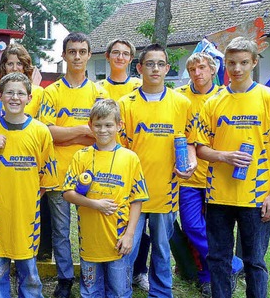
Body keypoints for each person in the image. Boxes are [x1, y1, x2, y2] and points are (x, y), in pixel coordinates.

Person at [196, 37, 270, 298]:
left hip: (256, 197)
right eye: (232, 63)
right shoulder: (213, 103)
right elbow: (200, 148)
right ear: (224, 64)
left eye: (243, 63)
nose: (237, 69)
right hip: (219, 196)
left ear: (254, 63)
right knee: (218, 259)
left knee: (255, 262)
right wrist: (224, 156)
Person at [120, 44, 197, 298]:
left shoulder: (182, 103)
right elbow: (118, 150)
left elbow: (191, 142)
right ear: (139, 68)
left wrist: (191, 162)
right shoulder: (125, 104)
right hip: (132, 191)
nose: (155, 68)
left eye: (160, 64)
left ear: (167, 68)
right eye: (149, 64)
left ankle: (162, 292)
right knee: (127, 246)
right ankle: (121, 290)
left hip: (166, 188)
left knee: (162, 248)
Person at [0, 72, 58, 297]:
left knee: (29, 277)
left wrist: (26, 197)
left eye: (20, 93)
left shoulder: (40, 132)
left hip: (26, 217)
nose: (14, 97)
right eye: (9, 92)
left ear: (29, 98)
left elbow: (45, 180)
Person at [38, 32, 107, 298]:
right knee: (61, 230)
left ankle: (92, 276)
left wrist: (66, 133)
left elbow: (102, 133)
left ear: (89, 55)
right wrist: (81, 129)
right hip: (58, 172)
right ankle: (65, 278)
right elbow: (48, 132)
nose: (77, 56)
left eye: (82, 51)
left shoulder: (99, 92)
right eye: (72, 51)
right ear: (64, 55)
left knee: (90, 228)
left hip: (92, 171)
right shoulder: (51, 92)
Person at [63, 98, 148, 298]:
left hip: (118, 242)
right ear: (90, 126)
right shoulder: (81, 156)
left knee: (119, 291)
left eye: (109, 125)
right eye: (98, 125)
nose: (103, 130)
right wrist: (95, 204)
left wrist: (129, 235)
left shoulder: (129, 158)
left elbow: (137, 199)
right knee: (91, 291)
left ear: (119, 126)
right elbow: (68, 192)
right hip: (90, 242)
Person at [175, 52, 243, 297]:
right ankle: (232, 264)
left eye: (202, 68)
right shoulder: (179, 96)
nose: (197, 73)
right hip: (189, 177)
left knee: (216, 229)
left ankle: (208, 276)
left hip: (217, 174)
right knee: (193, 226)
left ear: (213, 70)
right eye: (193, 69)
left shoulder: (225, 96)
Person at [96, 39, 149, 290]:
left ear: (132, 60)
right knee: (107, 218)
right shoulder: (99, 88)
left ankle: (138, 271)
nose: (119, 57)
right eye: (115, 52)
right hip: (107, 163)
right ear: (107, 56)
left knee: (138, 222)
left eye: (125, 54)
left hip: (134, 159)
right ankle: (106, 269)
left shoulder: (139, 86)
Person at [0, 43, 45, 118]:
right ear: (3, 66)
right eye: (10, 64)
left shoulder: (39, 92)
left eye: (19, 64)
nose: (15, 68)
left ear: (25, 66)